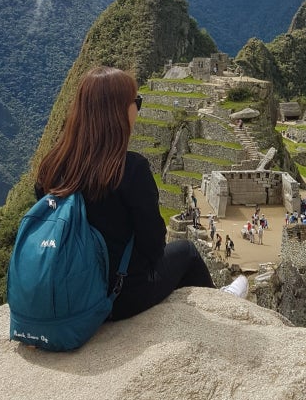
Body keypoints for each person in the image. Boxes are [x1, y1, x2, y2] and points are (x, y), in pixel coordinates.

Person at [34, 66, 246, 319]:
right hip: (118, 297)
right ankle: (221, 307)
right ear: (119, 111)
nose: (138, 109)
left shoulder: (50, 167)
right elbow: (154, 246)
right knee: (186, 251)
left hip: (66, 292)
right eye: (137, 102)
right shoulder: (130, 169)